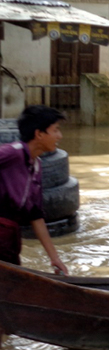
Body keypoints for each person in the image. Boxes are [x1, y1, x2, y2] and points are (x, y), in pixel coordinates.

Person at [0, 105, 68, 275]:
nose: (59, 136)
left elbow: (35, 216)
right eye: (56, 130)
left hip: (9, 236)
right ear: (39, 134)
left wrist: (54, 258)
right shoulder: (12, 153)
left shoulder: (36, 166)